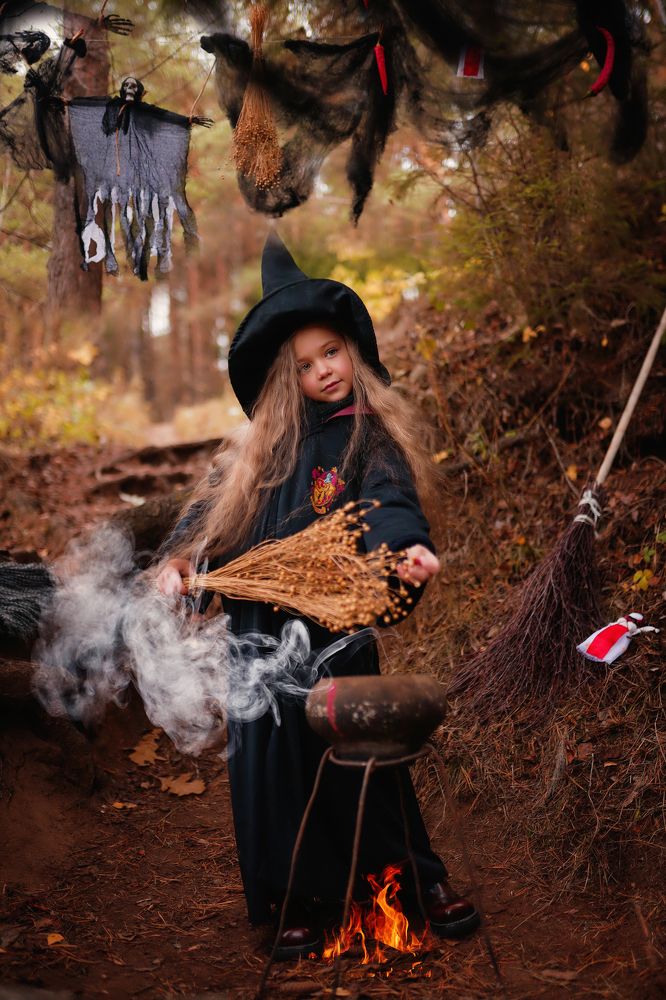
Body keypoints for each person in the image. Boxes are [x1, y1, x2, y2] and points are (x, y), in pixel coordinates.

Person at [156, 231, 479, 958]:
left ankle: (413, 880)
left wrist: (404, 551)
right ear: (284, 376)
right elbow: (203, 522)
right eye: (305, 364)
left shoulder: (367, 438)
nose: (324, 370)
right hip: (259, 645)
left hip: (335, 640)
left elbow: (389, 504)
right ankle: (296, 898)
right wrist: (181, 564)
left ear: (350, 352)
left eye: (331, 351)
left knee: (365, 760)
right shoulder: (253, 456)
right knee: (279, 773)